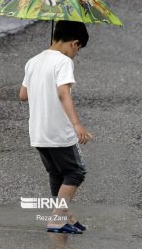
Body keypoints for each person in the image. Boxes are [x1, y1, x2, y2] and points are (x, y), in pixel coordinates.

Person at [19, 20, 92, 234]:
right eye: (78, 50)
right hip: (58, 132)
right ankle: (56, 219)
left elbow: (22, 95)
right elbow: (63, 93)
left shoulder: (33, 61)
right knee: (75, 173)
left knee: (57, 175)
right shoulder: (63, 62)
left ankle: (66, 216)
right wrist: (77, 124)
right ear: (74, 43)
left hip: (38, 132)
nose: (75, 54)